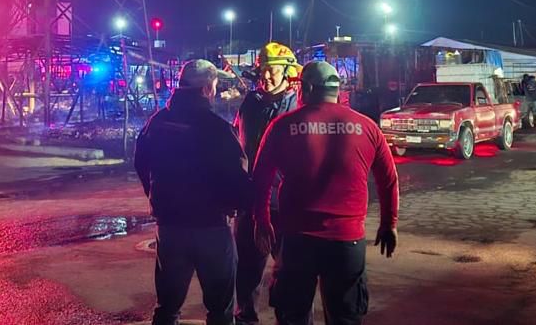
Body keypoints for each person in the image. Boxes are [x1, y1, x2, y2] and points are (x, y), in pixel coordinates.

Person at [251, 61, 399, 325]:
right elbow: (388, 180)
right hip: (347, 241)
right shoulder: (366, 127)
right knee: (345, 316)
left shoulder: (283, 126)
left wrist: (261, 221)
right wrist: (389, 224)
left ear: (307, 88)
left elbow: (261, 178)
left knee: (292, 315)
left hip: (297, 240)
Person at [135, 59, 251, 325]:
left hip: (170, 226)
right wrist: (243, 204)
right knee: (220, 308)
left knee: (167, 307)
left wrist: (156, 196)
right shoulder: (217, 129)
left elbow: (141, 162)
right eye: (214, 83)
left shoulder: (157, 122)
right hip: (211, 227)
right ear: (206, 89)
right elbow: (236, 176)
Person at [233, 43, 301, 325]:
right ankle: (245, 319)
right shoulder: (250, 103)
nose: (265, 78)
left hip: (287, 205)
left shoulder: (299, 106)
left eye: (271, 71)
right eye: (262, 72)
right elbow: (238, 143)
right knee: (247, 275)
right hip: (251, 202)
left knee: (290, 277)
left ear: (287, 72)